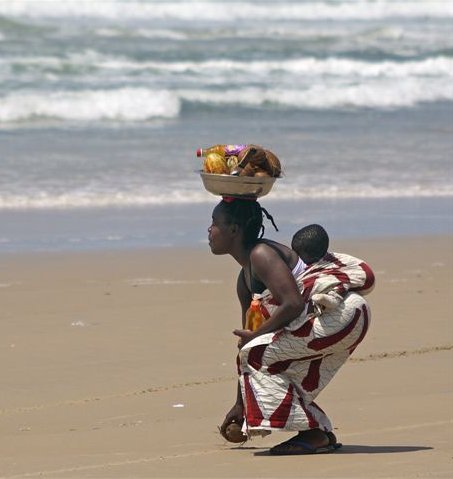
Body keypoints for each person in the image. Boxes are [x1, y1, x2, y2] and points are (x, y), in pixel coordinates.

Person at [208, 197, 371, 455]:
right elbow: (248, 345)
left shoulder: (261, 254)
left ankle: (314, 432)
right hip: (337, 320)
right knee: (262, 356)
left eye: (214, 222)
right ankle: (318, 435)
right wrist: (240, 405)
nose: (209, 229)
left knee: (259, 354)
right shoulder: (245, 280)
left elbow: (292, 304)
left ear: (233, 230)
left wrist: (256, 336)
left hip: (338, 316)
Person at [291, 224, 375, 315]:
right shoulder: (324, 256)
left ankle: (334, 298)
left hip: (364, 278)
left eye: (299, 255)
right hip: (362, 269)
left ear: (313, 257)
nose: (297, 257)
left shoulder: (324, 265)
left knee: (327, 280)